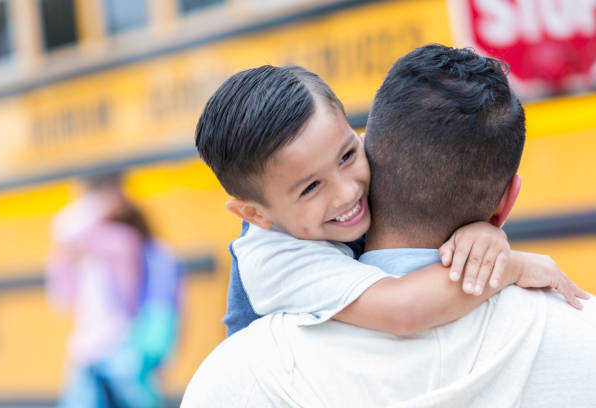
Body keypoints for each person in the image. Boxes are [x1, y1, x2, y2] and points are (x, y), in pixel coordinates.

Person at [182, 45, 596, 407]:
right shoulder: (275, 260)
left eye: (348, 155)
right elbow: (404, 311)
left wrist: (482, 233)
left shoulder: (321, 199)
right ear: (255, 215)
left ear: (364, 139)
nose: (346, 193)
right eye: (310, 188)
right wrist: (509, 267)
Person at [47, 172, 181, 408]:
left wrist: (74, 234)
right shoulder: (79, 247)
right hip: (87, 349)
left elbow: (129, 292)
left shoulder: (122, 240)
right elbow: (61, 298)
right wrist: (65, 257)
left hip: (122, 345)